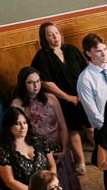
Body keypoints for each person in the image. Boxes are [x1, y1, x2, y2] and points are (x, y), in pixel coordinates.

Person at [11, 66, 80, 190]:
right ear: (23, 84)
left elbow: (62, 126)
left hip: (58, 148)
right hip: (38, 154)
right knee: (49, 189)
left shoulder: (51, 98)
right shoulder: (17, 104)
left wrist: (65, 148)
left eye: (37, 81)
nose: (35, 86)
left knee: (68, 186)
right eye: (30, 83)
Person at [31, 20, 89, 170]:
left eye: (56, 33)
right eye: (50, 35)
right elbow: (46, 82)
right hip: (62, 100)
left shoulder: (71, 50)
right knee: (73, 130)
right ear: (45, 38)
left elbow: (86, 71)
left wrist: (85, 93)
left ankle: (102, 154)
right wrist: (67, 97)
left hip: (82, 95)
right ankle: (80, 161)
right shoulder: (42, 56)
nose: (55, 37)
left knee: (91, 126)